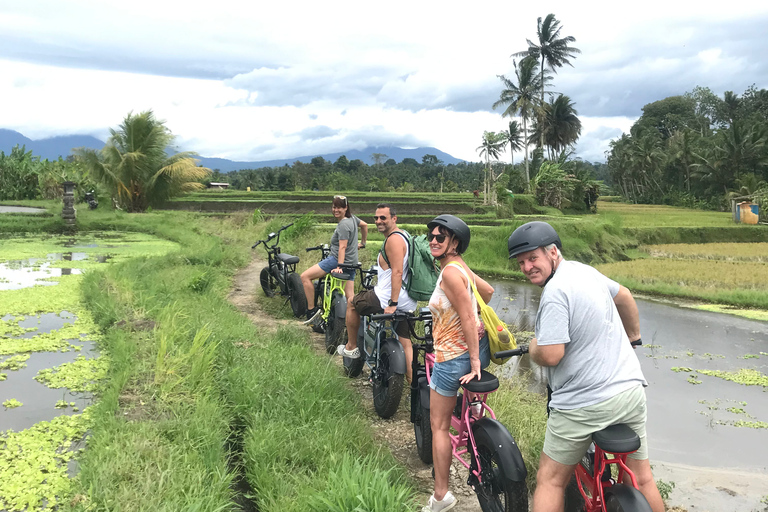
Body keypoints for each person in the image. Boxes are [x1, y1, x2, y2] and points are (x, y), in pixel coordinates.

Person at [507, 221, 664, 512]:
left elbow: (551, 354)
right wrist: (633, 338)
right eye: (521, 262)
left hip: (583, 404)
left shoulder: (555, 292)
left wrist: (532, 347)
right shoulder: (584, 271)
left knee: (550, 480)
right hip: (630, 393)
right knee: (641, 479)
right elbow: (626, 297)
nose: (527, 267)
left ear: (553, 252)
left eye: (533, 258)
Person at [422, 214, 494, 512]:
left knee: (438, 426)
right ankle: (473, 406)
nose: (434, 241)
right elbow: (487, 292)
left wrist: (473, 360)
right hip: (473, 353)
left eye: (441, 237)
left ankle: (441, 497)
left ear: (454, 242)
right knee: (449, 414)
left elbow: (467, 316)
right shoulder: (460, 267)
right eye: (432, 237)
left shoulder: (450, 274)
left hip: (453, 358)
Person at [339, 203, 416, 380]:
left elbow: (396, 272)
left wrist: (392, 304)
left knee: (352, 303)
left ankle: (351, 347)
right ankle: (412, 387)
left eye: (383, 218)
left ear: (394, 219)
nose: (379, 221)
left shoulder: (394, 239)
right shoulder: (405, 235)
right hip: (408, 299)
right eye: (376, 218)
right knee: (405, 341)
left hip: (387, 298)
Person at [301, 195, 367, 322]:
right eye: (334, 207)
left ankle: (311, 311)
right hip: (352, 263)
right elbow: (364, 225)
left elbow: (342, 247)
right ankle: (356, 328)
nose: (336, 210)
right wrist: (362, 243)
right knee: (351, 300)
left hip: (336, 260)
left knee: (305, 277)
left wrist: (339, 266)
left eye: (339, 208)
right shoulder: (352, 219)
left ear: (346, 208)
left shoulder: (343, 224)